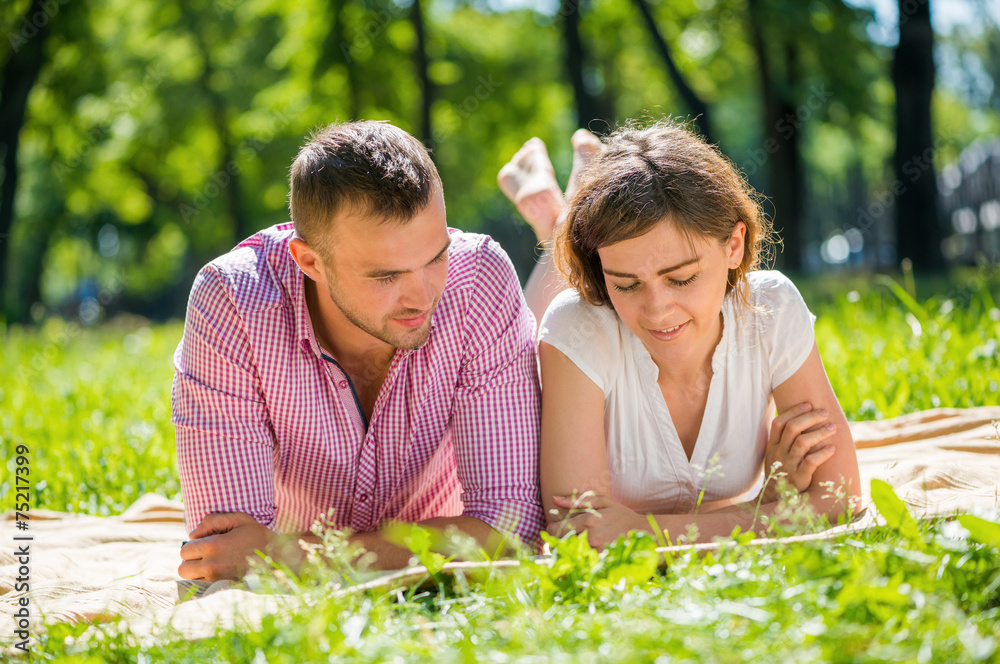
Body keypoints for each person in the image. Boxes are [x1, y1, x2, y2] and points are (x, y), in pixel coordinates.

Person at [174, 120, 544, 582]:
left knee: (567, 317)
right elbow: (224, 555)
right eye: (386, 276)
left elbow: (512, 528)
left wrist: (298, 558)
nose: (424, 296)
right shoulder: (233, 301)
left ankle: (554, 221)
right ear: (309, 262)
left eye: (436, 257)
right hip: (427, 552)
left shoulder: (479, 276)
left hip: (329, 552)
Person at [499, 121, 862, 548]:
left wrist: (645, 532)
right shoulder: (576, 328)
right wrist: (770, 506)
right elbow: (577, 534)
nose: (657, 310)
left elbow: (841, 498)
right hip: (573, 328)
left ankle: (569, 204)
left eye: (682, 278)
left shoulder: (771, 309)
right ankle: (558, 223)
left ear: (734, 246)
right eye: (627, 284)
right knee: (539, 317)